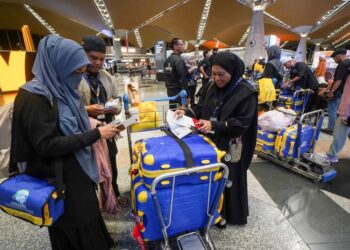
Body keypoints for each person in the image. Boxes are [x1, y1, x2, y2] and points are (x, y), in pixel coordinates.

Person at [9, 35, 119, 250]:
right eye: (76, 72)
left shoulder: (61, 89)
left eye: (81, 72)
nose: (79, 78)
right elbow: (46, 145)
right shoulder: (33, 97)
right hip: (58, 180)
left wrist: (91, 125)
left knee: (87, 220)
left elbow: (66, 124)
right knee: (74, 228)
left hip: (76, 173)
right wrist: (95, 135)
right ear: (58, 65)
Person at [174, 52, 258, 226]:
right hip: (210, 142)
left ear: (233, 72)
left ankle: (228, 214)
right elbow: (199, 106)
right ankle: (210, 211)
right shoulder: (211, 86)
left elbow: (242, 123)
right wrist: (186, 112)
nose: (217, 78)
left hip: (231, 144)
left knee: (228, 178)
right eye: (213, 73)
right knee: (211, 177)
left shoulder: (246, 93)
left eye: (221, 74)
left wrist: (214, 125)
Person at [79, 35, 129, 208]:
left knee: (112, 163)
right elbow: (67, 108)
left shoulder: (107, 77)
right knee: (90, 165)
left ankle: (113, 193)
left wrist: (114, 107)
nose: (98, 63)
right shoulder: (75, 77)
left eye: (102, 59)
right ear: (82, 54)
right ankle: (92, 201)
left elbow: (117, 100)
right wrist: (88, 110)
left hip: (108, 127)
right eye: (93, 58)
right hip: (86, 131)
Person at [320, 72, 350, 163]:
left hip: (347, 112)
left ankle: (331, 155)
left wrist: (345, 114)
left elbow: (348, 97)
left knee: (340, 133)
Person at [319, 48, 350, 135]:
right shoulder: (348, 63)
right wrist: (326, 89)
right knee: (337, 110)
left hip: (338, 91)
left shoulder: (342, 64)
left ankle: (331, 129)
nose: (334, 60)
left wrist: (332, 91)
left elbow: (338, 80)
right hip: (344, 92)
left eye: (334, 58)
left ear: (339, 55)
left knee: (331, 109)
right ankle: (335, 128)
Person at [164, 38, 189, 108]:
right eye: (181, 44)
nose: (183, 46)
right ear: (175, 46)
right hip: (179, 93)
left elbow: (167, 76)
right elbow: (183, 78)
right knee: (180, 113)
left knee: (173, 111)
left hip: (170, 92)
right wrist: (187, 95)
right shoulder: (179, 60)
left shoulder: (167, 60)